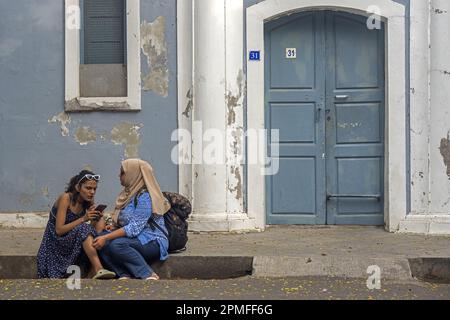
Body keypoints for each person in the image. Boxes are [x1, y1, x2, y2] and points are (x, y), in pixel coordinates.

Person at [93, 159, 171, 280]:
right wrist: (113, 228)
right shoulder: (130, 194)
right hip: (134, 239)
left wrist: (107, 237)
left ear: (133, 174)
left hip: (152, 241)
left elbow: (134, 228)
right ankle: (123, 274)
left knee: (116, 244)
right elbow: (127, 221)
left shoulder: (145, 197)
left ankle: (148, 274)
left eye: (122, 172)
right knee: (99, 241)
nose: (119, 175)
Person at [37, 170, 116, 279]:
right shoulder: (66, 198)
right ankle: (99, 269)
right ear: (78, 187)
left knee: (98, 222)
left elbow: (91, 227)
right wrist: (84, 218)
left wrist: (96, 217)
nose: (92, 192)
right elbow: (59, 230)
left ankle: (95, 269)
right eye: (88, 188)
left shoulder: (88, 200)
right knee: (83, 228)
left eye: (94, 189)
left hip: (71, 239)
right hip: (55, 243)